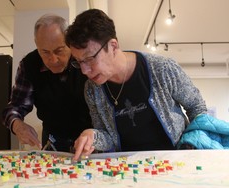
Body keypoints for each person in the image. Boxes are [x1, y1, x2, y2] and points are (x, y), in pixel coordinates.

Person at [65, 9, 207, 160]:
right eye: (79, 62)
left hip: (175, 161)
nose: (84, 70)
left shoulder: (162, 69)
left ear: (113, 46)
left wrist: (191, 146)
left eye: (89, 58)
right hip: (129, 168)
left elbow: (197, 107)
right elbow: (109, 136)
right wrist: (93, 136)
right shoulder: (92, 89)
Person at [2, 14, 92, 152]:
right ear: (36, 44)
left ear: (69, 43)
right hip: (53, 141)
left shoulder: (85, 59)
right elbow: (15, 106)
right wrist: (17, 125)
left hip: (88, 139)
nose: (53, 59)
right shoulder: (29, 65)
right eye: (44, 52)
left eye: (59, 51)